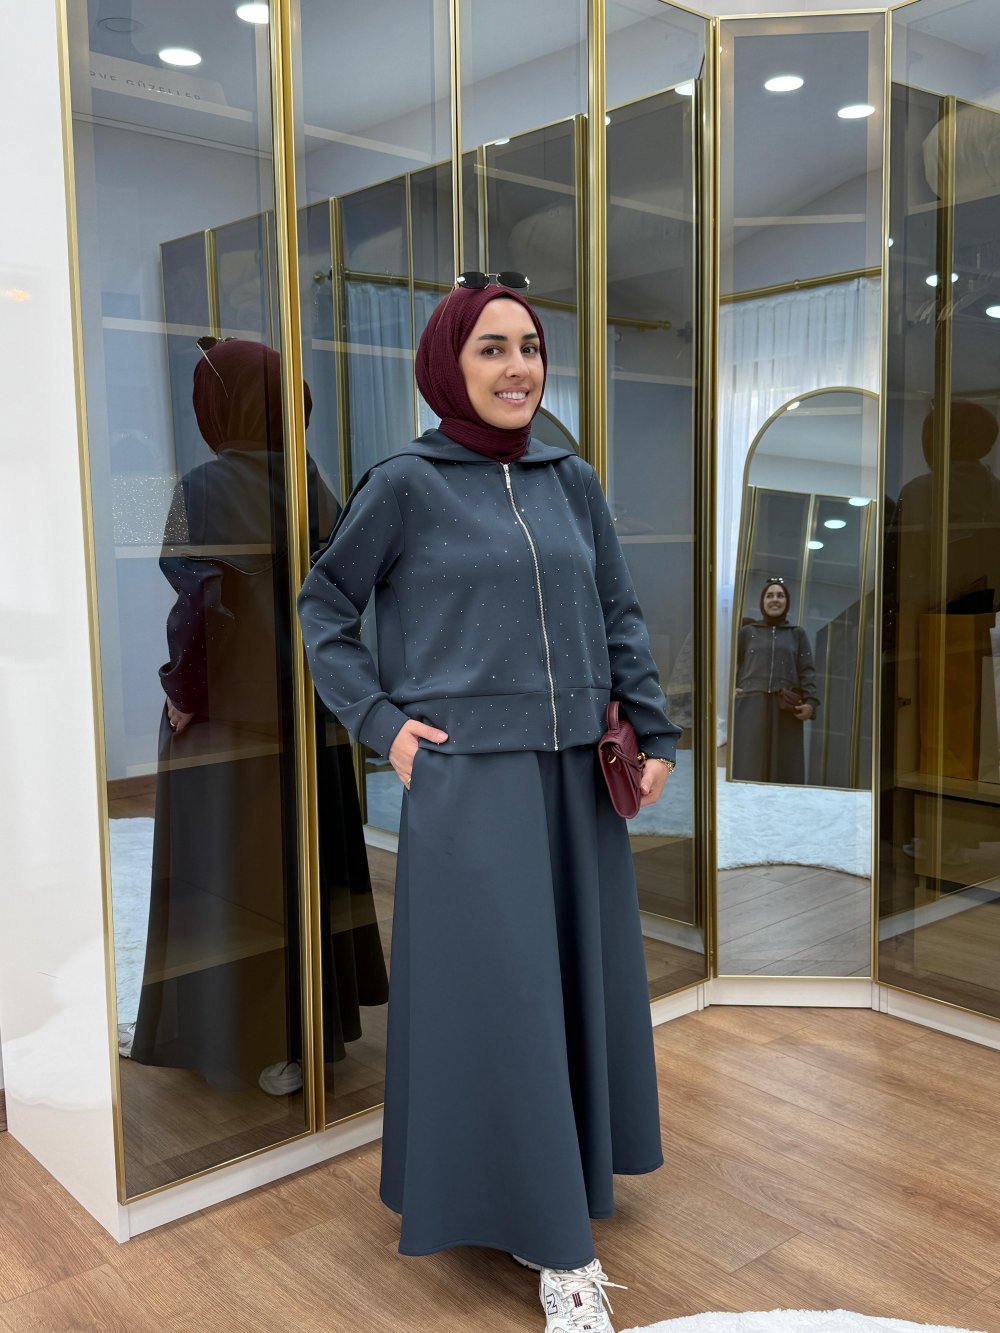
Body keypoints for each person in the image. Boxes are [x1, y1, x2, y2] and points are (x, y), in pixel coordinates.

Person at [297, 276, 680, 1333]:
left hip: (577, 779)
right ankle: (561, 1252)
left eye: (530, 347)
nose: (519, 369)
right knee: (504, 999)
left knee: (568, 992)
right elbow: (323, 606)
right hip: (472, 782)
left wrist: (655, 731)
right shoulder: (405, 485)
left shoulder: (570, 478)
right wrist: (380, 723)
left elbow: (616, 611)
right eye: (491, 349)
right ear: (445, 365)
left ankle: (545, 1191)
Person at [131, 339, 388, 1099]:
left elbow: (200, 606)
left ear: (220, 405)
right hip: (309, 710)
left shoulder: (205, 485)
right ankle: (308, 1032)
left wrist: (182, 691)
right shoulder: (310, 478)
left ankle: (242, 1037)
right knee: (303, 866)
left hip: (231, 718)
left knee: (229, 877)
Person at [731, 578, 819, 785]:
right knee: (748, 765)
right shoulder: (748, 633)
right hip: (751, 705)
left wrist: (811, 702)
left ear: (787, 602)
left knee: (784, 768)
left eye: (780, 596)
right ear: (762, 601)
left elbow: (807, 670)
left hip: (785, 709)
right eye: (770, 596)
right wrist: (731, 688)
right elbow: (730, 663)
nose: (775, 600)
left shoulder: (797, 634)